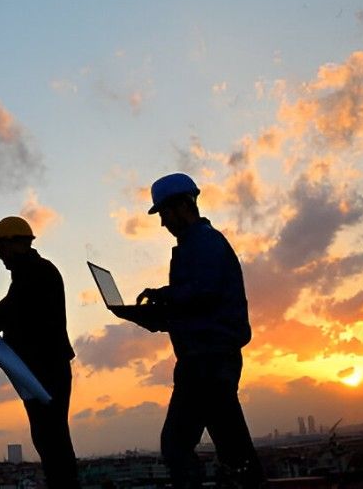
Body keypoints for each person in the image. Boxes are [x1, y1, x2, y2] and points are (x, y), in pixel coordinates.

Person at [112, 173, 263, 489]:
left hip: (206, 361)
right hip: (206, 359)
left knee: (178, 444)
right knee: (232, 448)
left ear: (183, 205)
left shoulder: (204, 242)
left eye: (165, 213)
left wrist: (164, 297)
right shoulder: (195, 245)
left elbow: (203, 293)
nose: (163, 223)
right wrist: (151, 316)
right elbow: (192, 306)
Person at [0, 216, 80, 489]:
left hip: (46, 368)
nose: (0, 255)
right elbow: (10, 310)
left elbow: (9, 312)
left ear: (18, 243)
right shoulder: (31, 273)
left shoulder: (37, 273)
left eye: (2, 247)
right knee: (49, 437)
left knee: (52, 437)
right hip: (39, 368)